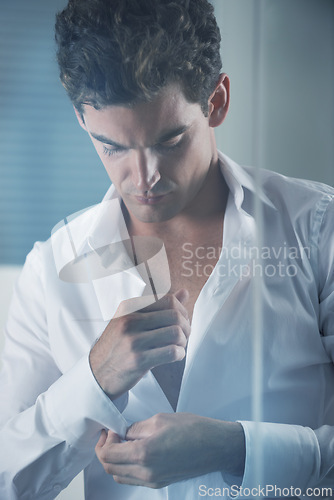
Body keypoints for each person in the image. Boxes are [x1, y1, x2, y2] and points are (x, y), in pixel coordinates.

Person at [0, 0, 333, 498]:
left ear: (217, 100)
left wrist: (237, 450)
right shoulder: (51, 270)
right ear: (81, 120)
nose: (143, 178)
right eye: (112, 147)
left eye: (170, 139)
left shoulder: (317, 230)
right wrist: (94, 380)